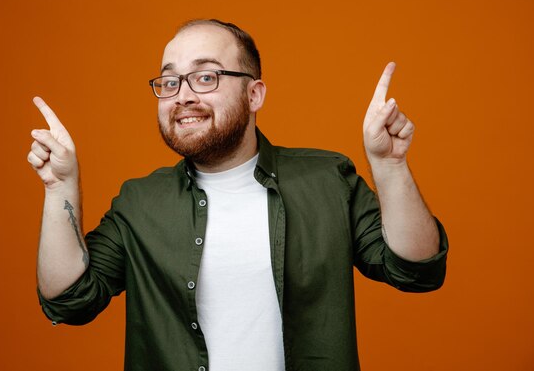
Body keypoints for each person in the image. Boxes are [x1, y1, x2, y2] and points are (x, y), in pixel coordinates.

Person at [27, 19, 448, 371]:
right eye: (170, 80)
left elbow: (417, 270)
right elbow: (69, 300)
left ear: (254, 94)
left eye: (205, 76)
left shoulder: (327, 180)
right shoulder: (140, 203)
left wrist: (390, 167)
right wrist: (59, 186)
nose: (183, 95)